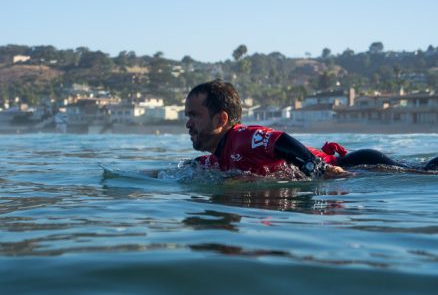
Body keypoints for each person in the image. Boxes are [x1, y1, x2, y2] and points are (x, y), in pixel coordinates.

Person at [185, 80, 438, 178]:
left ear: (221, 119)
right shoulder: (214, 160)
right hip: (348, 166)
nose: (188, 123)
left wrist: (319, 169)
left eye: (194, 115)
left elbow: (281, 140)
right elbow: (186, 169)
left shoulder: (243, 137)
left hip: (357, 164)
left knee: (427, 172)